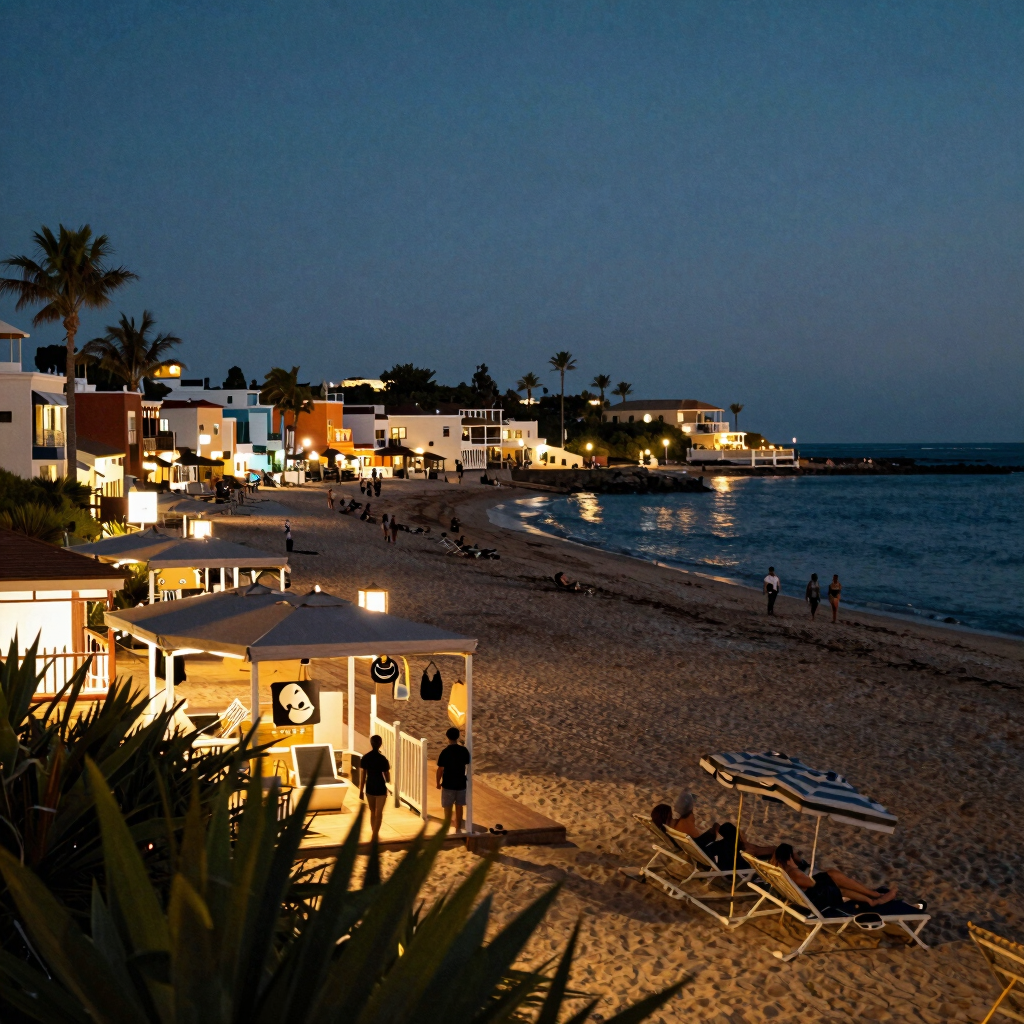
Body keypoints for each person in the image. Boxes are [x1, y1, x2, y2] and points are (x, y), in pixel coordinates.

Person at [772, 843, 898, 910]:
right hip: (814, 901)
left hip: (803, 897)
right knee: (834, 876)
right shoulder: (794, 873)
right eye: (795, 854)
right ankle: (874, 896)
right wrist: (827, 878)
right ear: (790, 857)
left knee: (838, 885)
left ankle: (872, 899)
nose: (797, 856)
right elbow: (811, 884)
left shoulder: (779, 869)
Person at [436, 726, 471, 832]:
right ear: (458, 737)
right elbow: (467, 763)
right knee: (459, 806)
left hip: (448, 783)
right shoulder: (463, 750)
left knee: (448, 807)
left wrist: (438, 783)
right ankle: (458, 828)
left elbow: (440, 769)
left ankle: (446, 828)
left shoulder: (445, 752)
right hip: (461, 782)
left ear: (447, 737)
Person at [359, 735, 391, 842]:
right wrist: (388, 781)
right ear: (380, 744)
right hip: (380, 787)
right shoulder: (383, 759)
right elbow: (387, 776)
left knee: (372, 811)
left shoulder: (366, 758)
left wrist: (361, 791)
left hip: (370, 787)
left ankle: (374, 832)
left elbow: (363, 776)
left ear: (371, 743)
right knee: (379, 812)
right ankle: (375, 834)